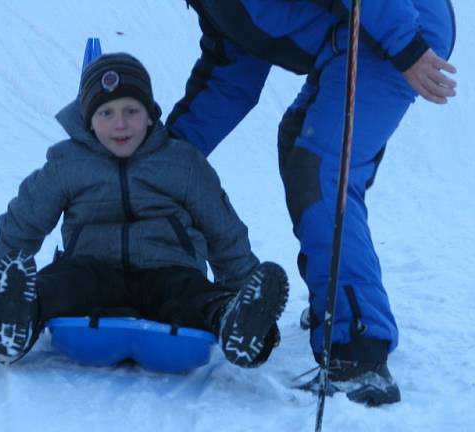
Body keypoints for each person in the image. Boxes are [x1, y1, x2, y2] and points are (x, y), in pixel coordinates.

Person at [166, 0, 458, 405]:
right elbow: (229, 77)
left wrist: (405, 45)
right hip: (358, 35)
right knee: (303, 147)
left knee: (322, 170)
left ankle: (359, 351)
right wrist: (162, 159)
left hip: (393, 26)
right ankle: (337, 302)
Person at [0, 53, 289, 369]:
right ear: (88, 119)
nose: (119, 123)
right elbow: (24, 221)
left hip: (167, 270)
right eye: (106, 112)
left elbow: (224, 232)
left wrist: (242, 284)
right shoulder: (67, 164)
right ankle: (14, 318)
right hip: (92, 269)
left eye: (131, 111)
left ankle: (237, 320)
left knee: (192, 294)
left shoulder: (182, 162)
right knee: (59, 283)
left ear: (150, 115)